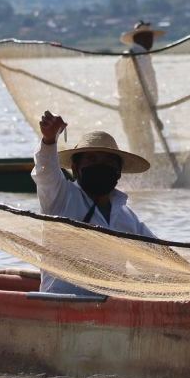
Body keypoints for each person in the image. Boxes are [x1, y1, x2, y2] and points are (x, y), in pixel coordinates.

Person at [33, 110, 155, 295]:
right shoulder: (61, 196)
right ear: (75, 167)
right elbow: (45, 171)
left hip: (111, 305)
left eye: (108, 161)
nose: (101, 166)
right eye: (91, 159)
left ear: (118, 171)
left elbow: (159, 256)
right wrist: (49, 140)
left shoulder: (126, 216)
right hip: (60, 300)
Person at [115, 21, 165, 158]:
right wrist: (154, 115)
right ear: (140, 38)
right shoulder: (138, 56)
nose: (151, 41)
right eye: (148, 38)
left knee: (137, 145)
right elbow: (142, 88)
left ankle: (143, 174)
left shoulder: (125, 56)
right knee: (145, 147)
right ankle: (145, 175)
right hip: (138, 108)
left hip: (130, 108)